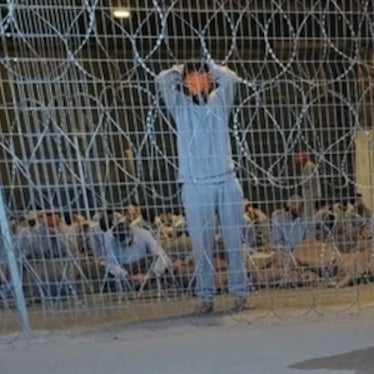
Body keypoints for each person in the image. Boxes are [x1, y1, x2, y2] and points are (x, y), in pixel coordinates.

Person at [155, 60, 249, 314]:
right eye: (191, 77)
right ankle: (205, 297)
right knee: (201, 245)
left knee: (234, 242)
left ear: (209, 80)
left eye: (202, 76)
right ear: (184, 83)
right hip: (195, 185)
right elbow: (162, 80)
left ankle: (240, 294)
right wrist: (180, 69)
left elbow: (231, 78)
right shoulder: (180, 107)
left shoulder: (220, 102)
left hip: (226, 180)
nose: (197, 80)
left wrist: (210, 66)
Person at [294, 151, 322, 219]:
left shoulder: (308, 166)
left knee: (309, 214)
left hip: (311, 194)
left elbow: (307, 180)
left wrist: (300, 182)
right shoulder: (308, 165)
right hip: (310, 194)